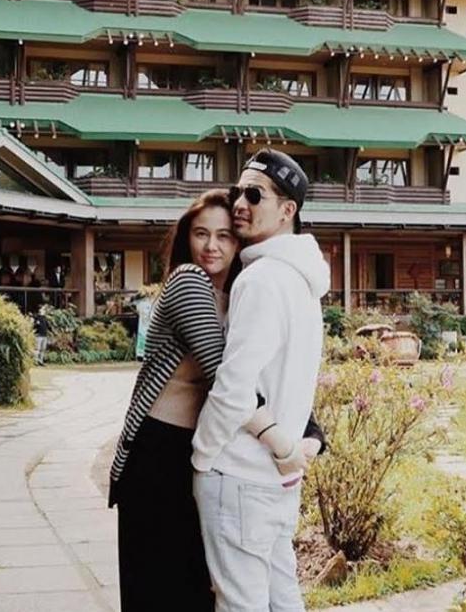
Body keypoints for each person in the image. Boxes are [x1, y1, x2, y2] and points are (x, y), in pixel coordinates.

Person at [108, 189, 324, 612]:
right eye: (201, 233)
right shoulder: (189, 282)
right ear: (186, 237)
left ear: (239, 240)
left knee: (199, 589)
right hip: (160, 452)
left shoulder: (246, 290)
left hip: (202, 449)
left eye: (224, 236)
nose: (211, 246)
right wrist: (282, 442)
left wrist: (311, 430)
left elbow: (265, 374)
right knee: (158, 587)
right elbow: (226, 373)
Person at [192, 148, 330, 612]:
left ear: (287, 210)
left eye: (255, 195)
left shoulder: (261, 279)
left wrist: (203, 455)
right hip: (278, 479)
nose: (239, 204)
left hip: (239, 474)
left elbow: (233, 387)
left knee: (241, 603)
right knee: (281, 598)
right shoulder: (302, 279)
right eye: (238, 192)